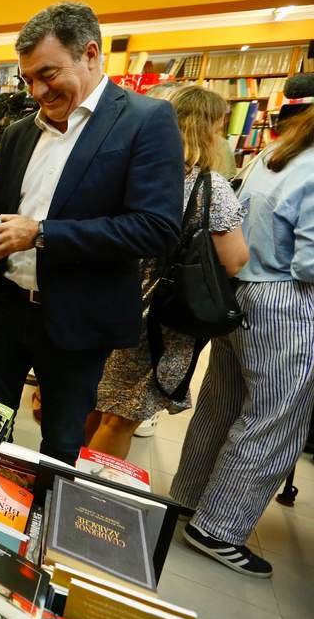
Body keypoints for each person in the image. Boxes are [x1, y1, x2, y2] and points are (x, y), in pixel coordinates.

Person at [0, 2, 184, 464]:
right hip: (5, 308)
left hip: (77, 317)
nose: (38, 91)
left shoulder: (146, 121)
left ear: (90, 54)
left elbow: (157, 229)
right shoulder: (19, 133)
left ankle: (43, 520)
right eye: (27, 79)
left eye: (48, 73)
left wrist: (42, 234)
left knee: (62, 443)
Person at [170, 76, 314, 578]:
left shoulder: (268, 156)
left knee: (221, 402)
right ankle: (219, 527)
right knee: (276, 417)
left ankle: (188, 498)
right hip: (284, 301)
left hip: (239, 296)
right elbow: (309, 263)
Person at [85, 86, 249, 459]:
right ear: (211, 129)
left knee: (99, 401)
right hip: (163, 313)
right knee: (122, 416)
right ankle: (86, 497)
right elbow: (234, 259)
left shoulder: (140, 171)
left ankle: (67, 478)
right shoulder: (209, 186)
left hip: (117, 296)